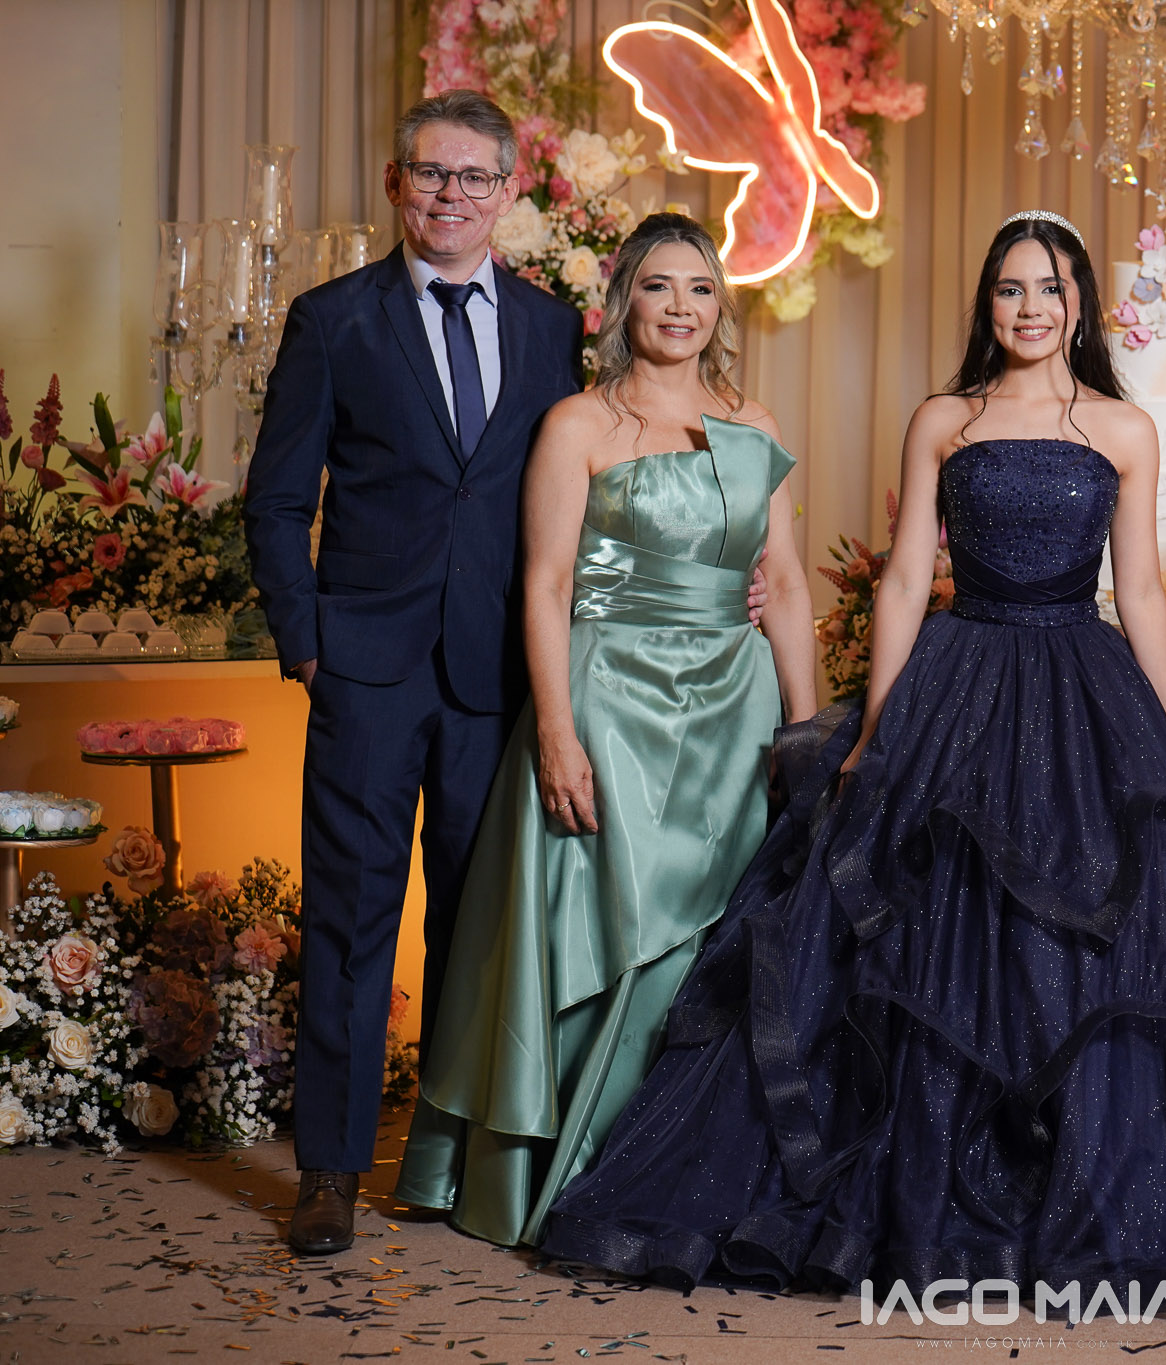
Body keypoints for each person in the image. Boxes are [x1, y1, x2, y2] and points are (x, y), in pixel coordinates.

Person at [538, 211, 1166, 1308]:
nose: (1030, 308)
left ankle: (1083, 1187)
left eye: (1050, 289)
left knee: (1097, 937)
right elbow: (900, 580)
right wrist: (873, 732)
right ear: (988, 304)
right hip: (957, 680)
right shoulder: (944, 418)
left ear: (1079, 307)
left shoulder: (1121, 427)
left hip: (1083, 681)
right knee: (924, 933)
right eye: (1011, 289)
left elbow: (1140, 592)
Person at [392, 214, 816, 1246]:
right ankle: (568, 1175)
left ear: (721, 308)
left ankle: (680, 1171)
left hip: (732, 710)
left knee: (711, 935)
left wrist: (805, 732)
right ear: (625, 300)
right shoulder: (577, 423)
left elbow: (788, 585)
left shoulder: (754, 422)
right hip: (608, 703)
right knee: (603, 924)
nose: (680, 307)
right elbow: (542, 587)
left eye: (700, 289)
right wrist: (556, 732)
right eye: (659, 286)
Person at [244, 90, 586, 1257]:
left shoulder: (552, 329)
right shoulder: (333, 320)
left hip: (500, 674)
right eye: (430, 173)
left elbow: (585, 493)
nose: (450, 194)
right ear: (396, 185)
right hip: (367, 671)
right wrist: (306, 640)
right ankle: (330, 1170)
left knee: (477, 927)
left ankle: (440, 1163)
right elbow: (277, 498)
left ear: (507, 192)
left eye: (473, 176)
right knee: (349, 920)